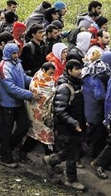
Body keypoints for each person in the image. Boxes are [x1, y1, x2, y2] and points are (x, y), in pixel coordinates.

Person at [0, 43, 38, 168]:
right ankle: (5, 157)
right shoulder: (3, 68)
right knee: (7, 130)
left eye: (17, 52)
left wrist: (36, 82)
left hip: (19, 102)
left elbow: (23, 78)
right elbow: (11, 88)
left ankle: (7, 148)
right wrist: (30, 95)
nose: (16, 55)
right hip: (7, 104)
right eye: (13, 53)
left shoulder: (17, 63)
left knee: (24, 126)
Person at [44, 59, 86, 190]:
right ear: (69, 71)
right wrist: (73, 123)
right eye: (76, 69)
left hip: (76, 124)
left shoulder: (77, 84)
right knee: (73, 152)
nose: (79, 72)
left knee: (77, 150)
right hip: (67, 126)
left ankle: (51, 160)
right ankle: (71, 179)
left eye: (80, 68)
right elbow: (60, 110)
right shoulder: (65, 88)